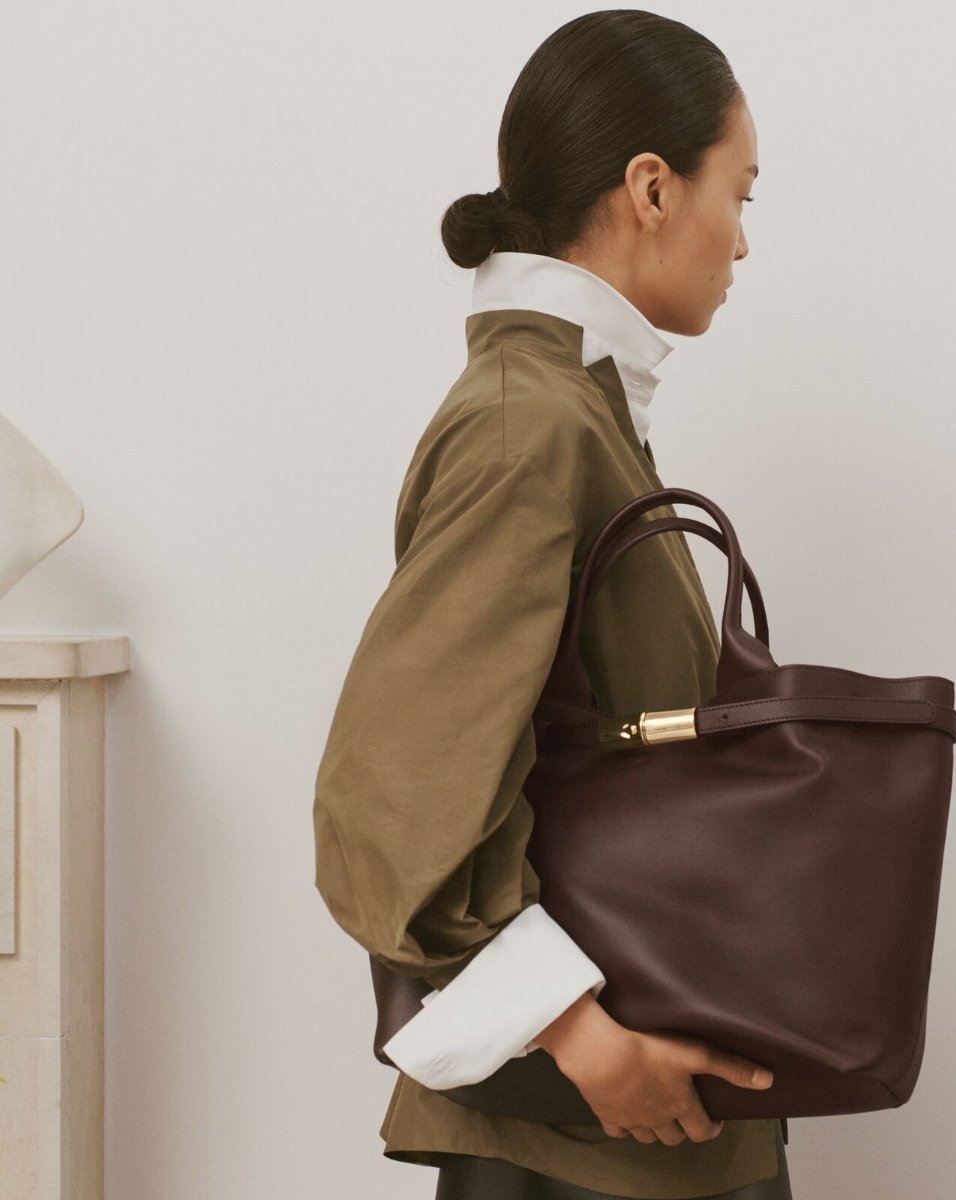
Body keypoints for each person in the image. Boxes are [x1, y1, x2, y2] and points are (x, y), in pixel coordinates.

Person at [312, 10, 792, 1199]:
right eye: (738, 194)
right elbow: (392, 794)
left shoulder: (572, 406)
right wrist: (579, 1035)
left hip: (627, 1122)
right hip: (586, 1140)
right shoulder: (530, 424)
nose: (742, 241)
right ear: (651, 188)